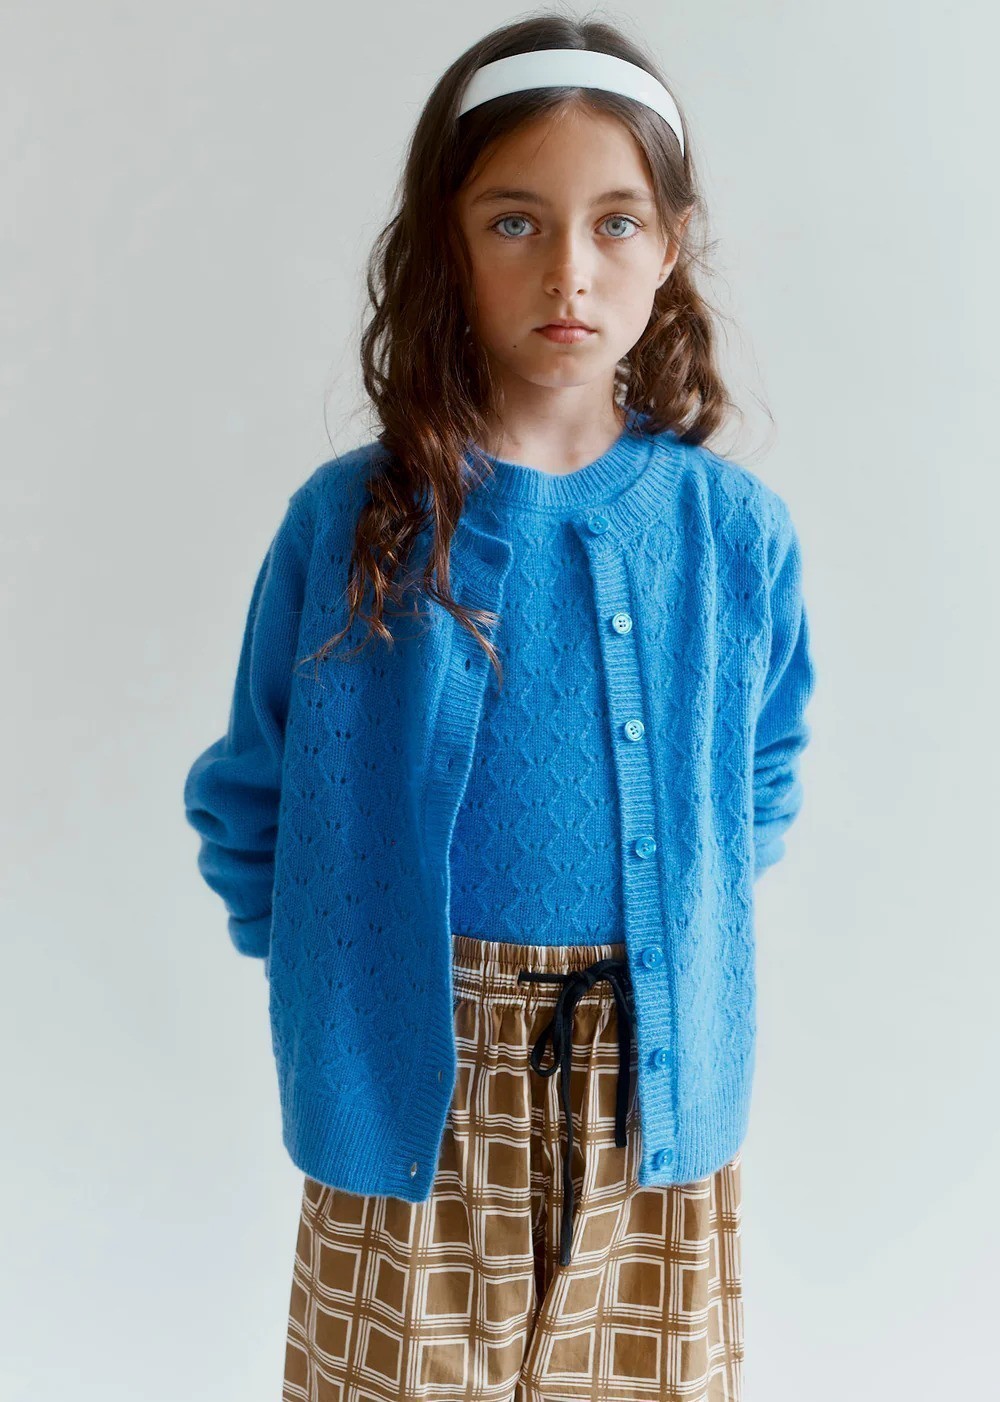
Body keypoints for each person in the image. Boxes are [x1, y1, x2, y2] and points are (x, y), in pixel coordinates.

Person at [183, 12, 817, 1402]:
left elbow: (761, 775)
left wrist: (675, 944)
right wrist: (346, 982)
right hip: (408, 1081)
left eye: (615, 223)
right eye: (515, 221)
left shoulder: (730, 533)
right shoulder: (353, 523)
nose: (568, 270)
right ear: (448, 242)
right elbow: (252, 797)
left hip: (652, 1084)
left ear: (672, 244)